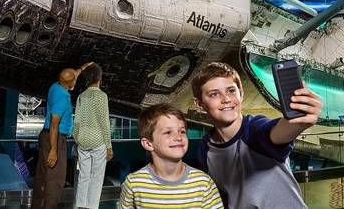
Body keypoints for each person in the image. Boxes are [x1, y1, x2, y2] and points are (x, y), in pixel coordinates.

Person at [191, 62, 323, 209]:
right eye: (214, 94)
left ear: (241, 94)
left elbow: (275, 134)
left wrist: (299, 121)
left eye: (231, 91)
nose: (226, 99)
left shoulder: (254, 129)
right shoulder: (206, 147)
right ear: (199, 103)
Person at [117, 103, 223, 209]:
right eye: (167, 132)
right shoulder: (134, 184)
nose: (178, 137)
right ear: (148, 144)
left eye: (182, 131)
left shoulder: (203, 183)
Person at [32, 63, 92, 209]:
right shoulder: (63, 100)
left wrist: (82, 68)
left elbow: (72, 76)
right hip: (55, 139)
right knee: (54, 180)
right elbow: (54, 124)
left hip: (45, 137)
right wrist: (54, 150)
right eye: (74, 80)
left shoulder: (55, 87)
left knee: (41, 177)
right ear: (71, 83)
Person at [74, 63, 113, 209]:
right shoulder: (102, 96)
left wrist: (77, 138)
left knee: (83, 177)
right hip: (98, 141)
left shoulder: (81, 96)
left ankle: (81, 207)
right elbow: (104, 122)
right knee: (96, 178)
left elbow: (76, 121)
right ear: (100, 78)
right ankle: (91, 207)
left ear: (86, 79)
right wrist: (108, 146)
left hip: (82, 140)